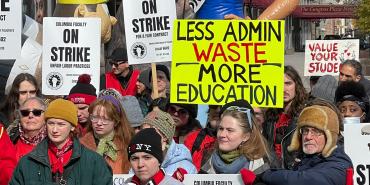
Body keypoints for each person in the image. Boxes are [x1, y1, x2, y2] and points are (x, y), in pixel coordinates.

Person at [10, 99, 112, 185]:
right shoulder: (27, 162)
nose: (54, 130)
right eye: (51, 123)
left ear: (72, 126)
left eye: (61, 124)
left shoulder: (94, 162)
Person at [259, 103, 353, 185]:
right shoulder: (303, 159)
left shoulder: (340, 162)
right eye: (305, 130)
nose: (308, 137)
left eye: (316, 131)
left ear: (330, 137)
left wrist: (266, 175)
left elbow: (310, 181)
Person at [200, 100, 271, 185]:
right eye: (221, 128)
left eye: (230, 130)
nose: (222, 134)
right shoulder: (209, 159)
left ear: (246, 136)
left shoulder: (263, 163)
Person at [263, 65, 308, 169]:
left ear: (297, 85)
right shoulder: (269, 114)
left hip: (295, 171)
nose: (283, 89)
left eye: (288, 83)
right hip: (273, 170)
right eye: (279, 84)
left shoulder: (306, 113)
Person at [80, 95, 134, 173]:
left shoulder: (126, 145)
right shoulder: (81, 145)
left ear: (116, 121)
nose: (98, 123)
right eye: (95, 117)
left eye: (105, 119)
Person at [140, 110, 197, 175]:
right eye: (142, 133)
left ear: (165, 137)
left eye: (151, 133)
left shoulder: (186, 169)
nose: (144, 138)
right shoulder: (137, 161)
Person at [7, 97, 47, 162]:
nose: (30, 115)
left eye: (37, 112)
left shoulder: (54, 141)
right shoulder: (8, 139)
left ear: (46, 116)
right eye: (25, 112)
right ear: (19, 116)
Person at [184, 105, 220, 171]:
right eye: (214, 105)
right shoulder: (193, 138)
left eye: (223, 105)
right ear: (209, 113)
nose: (217, 109)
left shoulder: (240, 140)